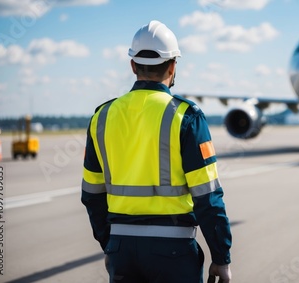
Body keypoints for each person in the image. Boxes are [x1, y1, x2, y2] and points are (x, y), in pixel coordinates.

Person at [81, 20, 232, 283]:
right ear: (173, 65)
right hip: (174, 252)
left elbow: (92, 195)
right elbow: (208, 197)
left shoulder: (102, 116)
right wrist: (221, 257)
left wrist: (111, 244)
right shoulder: (187, 117)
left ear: (132, 65)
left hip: (121, 249)